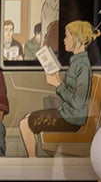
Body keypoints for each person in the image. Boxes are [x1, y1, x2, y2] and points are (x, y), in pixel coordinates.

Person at [21, 19, 95, 157]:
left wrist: (58, 85)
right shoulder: (77, 62)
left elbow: (78, 103)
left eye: (67, 36)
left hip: (72, 119)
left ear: (78, 40)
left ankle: (32, 162)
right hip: (68, 114)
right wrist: (58, 79)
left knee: (25, 124)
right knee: (27, 118)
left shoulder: (82, 66)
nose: (64, 40)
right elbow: (73, 91)